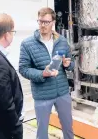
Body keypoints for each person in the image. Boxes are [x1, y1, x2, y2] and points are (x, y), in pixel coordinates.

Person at [19, 7, 74, 139]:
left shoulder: (61, 41)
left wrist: (68, 65)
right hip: (42, 95)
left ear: (53, 22)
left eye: (46, 22)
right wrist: (42, 74)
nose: (43, 25)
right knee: (42, 132)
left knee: (68, 128)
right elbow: (23, 68)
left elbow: (71, 64)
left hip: (62, 92)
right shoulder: (27, 44)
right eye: (40, 21)